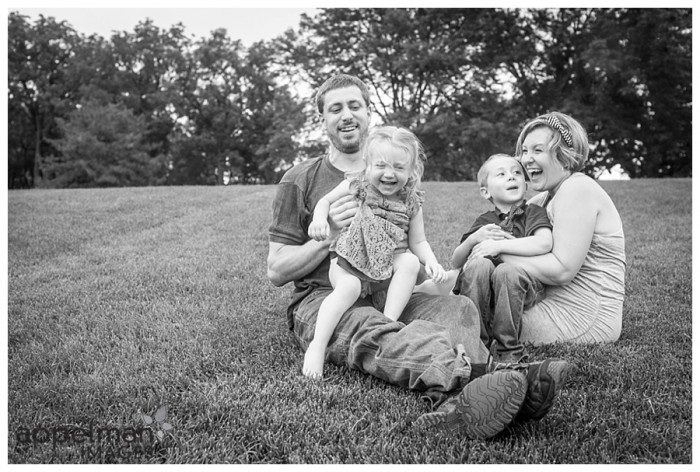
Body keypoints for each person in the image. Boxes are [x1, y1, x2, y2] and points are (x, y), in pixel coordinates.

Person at [267, 74, 568, 439]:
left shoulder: (400, 179)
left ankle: (498, 386)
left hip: (389, 289)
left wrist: (433, 276)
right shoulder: (301, 178)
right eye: (335, 109)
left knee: (459, 309)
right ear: (323, 119)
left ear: (368, 113)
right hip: (327, 295)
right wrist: (326, 234)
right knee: (371, 326)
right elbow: (277, 270)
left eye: (354, 106)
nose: (346, 115)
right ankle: (465, 389)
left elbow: (410, 248)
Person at [303, 126, 448, 380]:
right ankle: (317, 345)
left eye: (399, 168)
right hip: (350, 261)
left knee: (411, 262)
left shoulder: (411, 200)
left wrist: (432, 260)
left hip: (385, 265)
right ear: (367, 165)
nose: (389, 174)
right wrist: (319, 219)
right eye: (381, 165)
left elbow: (419, 241)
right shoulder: (357, 185)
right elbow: (324, 202)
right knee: (348, 288)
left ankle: (386, 322)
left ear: (411, 170)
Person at [496, 111, 626, 344]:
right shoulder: (541, 201)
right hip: (548, 302)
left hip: (582, 315)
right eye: (524, 151)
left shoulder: (577, 189)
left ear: (565, 156)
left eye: (537, 150)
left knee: (480, 326)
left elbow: (561, 270)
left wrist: (498, 251)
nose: (526, 159)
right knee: (470, 306)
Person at [450, 153, 553, 364]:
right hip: (484, 286)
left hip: (521, 282)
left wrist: (498, 246)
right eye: (501, 174)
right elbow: (455, 261)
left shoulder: (533, 212)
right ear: (485, 191)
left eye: (517, 173)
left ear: (525, 184)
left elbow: (544, 243)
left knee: (506, 270)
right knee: (479, 264)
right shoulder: (485, 221)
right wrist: (473, 240)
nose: (511, 177)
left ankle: (509, 350)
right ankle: (475, 345)